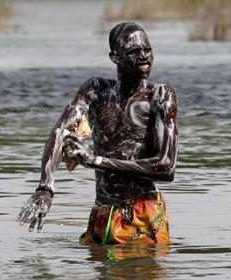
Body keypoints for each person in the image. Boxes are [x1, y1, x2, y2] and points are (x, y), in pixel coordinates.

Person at [17, 22, 178, 244]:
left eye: (147, 50)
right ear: (115, 57)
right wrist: (45, 188)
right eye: (134, 51)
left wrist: (95, 161)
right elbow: (61, 132)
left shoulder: (160, 96)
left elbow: (166, 167)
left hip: (145, 216)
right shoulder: (96, 90)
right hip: (104, 215)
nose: (143, 56)